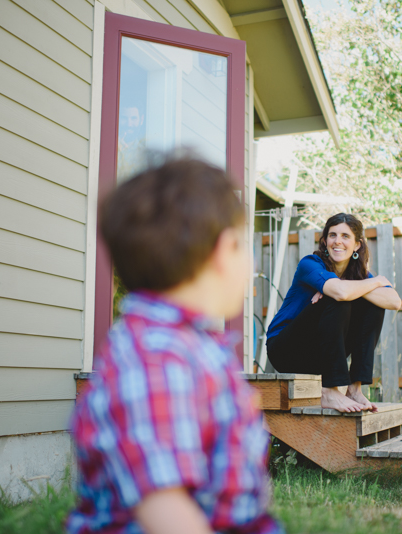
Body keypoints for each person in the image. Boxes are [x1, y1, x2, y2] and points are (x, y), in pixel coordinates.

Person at [68, 159, 283, 534]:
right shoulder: (157, 358)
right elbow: (165, 509)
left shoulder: (188, 345)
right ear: (223, 250)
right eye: (243, 244)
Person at [265, 213, 402, 413]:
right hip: (285, 350)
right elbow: (340, 292)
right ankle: (329, 391)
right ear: (324, 241)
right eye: (332, 235)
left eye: (345, 236)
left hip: (319, 355)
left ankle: (354, 389)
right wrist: (377, 281)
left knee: (371, 304)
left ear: (357, 245)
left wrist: (354, 287)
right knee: (340, 298)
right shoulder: (310, 264)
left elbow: (394, 301)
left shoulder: (359, 275)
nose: (338, 241)